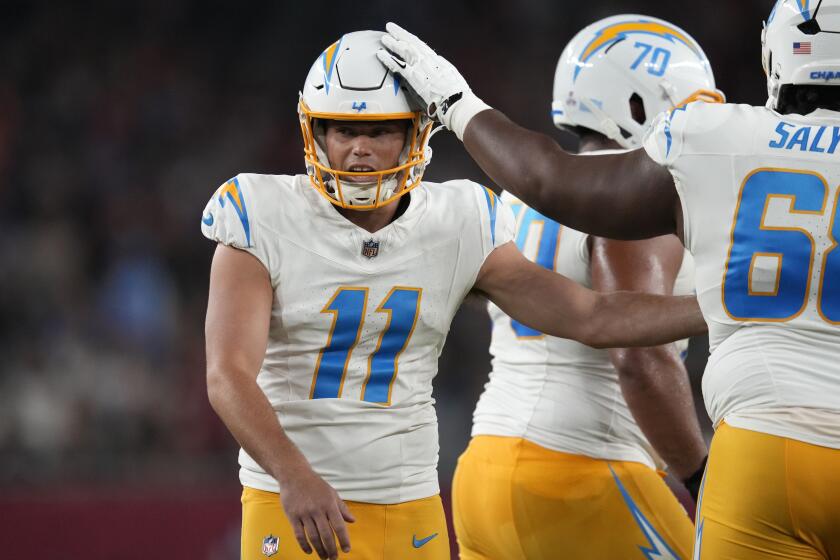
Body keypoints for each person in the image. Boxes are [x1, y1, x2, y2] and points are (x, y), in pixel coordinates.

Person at [203, 30, 707, 560]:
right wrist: (292, 474)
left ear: (417, 134)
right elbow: (227, 374)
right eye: (343, 130)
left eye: (382, 132)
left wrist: (716, 308)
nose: (359, 149)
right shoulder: (258, 212)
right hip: (299, 501)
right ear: (316, 133)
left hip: (413, 502)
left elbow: (591, 316)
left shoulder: (459, 218)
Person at [378, 3, 840, 558]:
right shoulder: (672, 176)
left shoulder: (709, 144)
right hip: (586, 464)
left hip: (491, 463)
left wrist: (458, 104)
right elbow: (631, 350)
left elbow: (545, 186)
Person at [450, 15, 714, 560]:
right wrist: (700, 474)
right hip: (580, 475)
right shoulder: (632, 194)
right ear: (640, 105)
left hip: (483, 472)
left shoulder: (528, 195)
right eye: (690, 105)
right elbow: (638, 358)